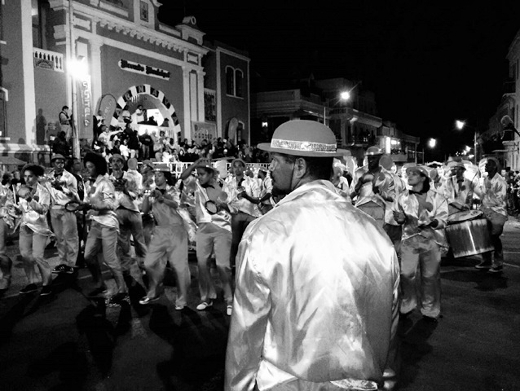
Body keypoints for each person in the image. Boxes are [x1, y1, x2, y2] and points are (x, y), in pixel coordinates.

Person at [225, 120, 400, 391]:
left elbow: (246, 333)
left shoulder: (264, 232)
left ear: (299, 167)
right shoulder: (376, 236)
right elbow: (389, 328)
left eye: (274, 160)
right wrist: (385, 382)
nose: (269, 168)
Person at [393, 165, 448, 321]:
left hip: (431, 241)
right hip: (409, 240)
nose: (409, 176)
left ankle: (430, 308)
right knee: (406, 274)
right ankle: (407, 303)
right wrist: (399, 219)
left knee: (430, 276)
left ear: (423, 177)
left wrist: (432, 222)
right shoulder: (402, 197)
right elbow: (399, 217)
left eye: (414, 174)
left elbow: (444, 219)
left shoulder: (438, 198)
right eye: (408, 174)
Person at [180, 158, 234, 316]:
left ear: (211, 174)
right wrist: (195, 165)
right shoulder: (195, 185)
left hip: (222, 229)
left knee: (223, 266)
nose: (199, 176)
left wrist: (225, 206)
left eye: (202, 174)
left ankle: (229, 299)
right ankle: (206, 298)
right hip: (203, 229)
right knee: (202, 264)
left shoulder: (224, 187)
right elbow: (183, 176)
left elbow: (234, 209)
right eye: (198, 174)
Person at [139, 164, 190, 309]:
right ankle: (154, 290)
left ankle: (181, 300)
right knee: (149, 263)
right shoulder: (153, 191)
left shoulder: (173, 189)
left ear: (166, 177)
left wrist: (162, 198)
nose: (156, 177)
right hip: (160, 231)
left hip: (176, 231)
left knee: (179, 268)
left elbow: (176, 204)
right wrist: (146, 194)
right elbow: (144, 210)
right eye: (155, 174)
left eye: (159, 174)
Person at [81, 152, 128, 305]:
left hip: (108, 224)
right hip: (95, 223)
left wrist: (93, 206)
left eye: (91, 167)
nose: (88, 170)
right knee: (88, 256)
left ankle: (122, 290)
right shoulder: (89, 184)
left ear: (98, 167)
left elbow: (111, 204)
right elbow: (85, 201)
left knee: (110, 258)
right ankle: (99, 283)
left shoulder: (106, 183)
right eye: (86, 167)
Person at [16, 165, 55, 296]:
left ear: (36, 176)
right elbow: (22, 209)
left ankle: (47, 283)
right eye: (25, 176)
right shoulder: (21, 189)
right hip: (25, 225)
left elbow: (43, 210)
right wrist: (15, 210)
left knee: (38, 256)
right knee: (25, 256)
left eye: (30, 176)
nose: (27, 179)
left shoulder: (43, 191)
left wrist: (29, 199)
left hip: (39, 227)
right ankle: (32, 282)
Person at [224, 158, 260, 272]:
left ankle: (247, 267)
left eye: (240, 166)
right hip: (236, 215)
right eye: (235, 166)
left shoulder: (251, 182)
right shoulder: (229, 184)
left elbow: (257, 199)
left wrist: (246, 196)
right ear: (232, 169)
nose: (237, 168)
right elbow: (226, 200)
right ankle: (231, 265)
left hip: (250, 215)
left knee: (248, 243)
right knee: (235, 242)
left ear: (244, 168)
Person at [46, 154, 79, 275]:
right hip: (54, 209)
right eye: (57, 162)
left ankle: (71, 263)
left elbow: (75, 195)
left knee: (70, 237)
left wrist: (62, 188)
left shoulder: (70, 177)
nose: (60, 165)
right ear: (53, 163)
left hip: (67, 208)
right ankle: (62, 262)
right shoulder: (49, 177)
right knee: (59, 238)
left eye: (62, 162)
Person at [473, 157, 508, 273]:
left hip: (497, 212)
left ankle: (498, 262)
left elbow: (500, 199)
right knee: (484, 236)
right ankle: (486, 260)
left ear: (494, 167)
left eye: (488, 164)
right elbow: (483, 195)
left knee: (494, 236)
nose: (486, 166)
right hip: (486, 211)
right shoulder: (486, 179)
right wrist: (476, 190)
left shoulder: (501, 181)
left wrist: (486, 197)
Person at [0, 172, 15, 295]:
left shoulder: (2, 189)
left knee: (0, 253)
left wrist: (8, 218)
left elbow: (7, 204)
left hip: (0, 220)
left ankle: (6, 276)